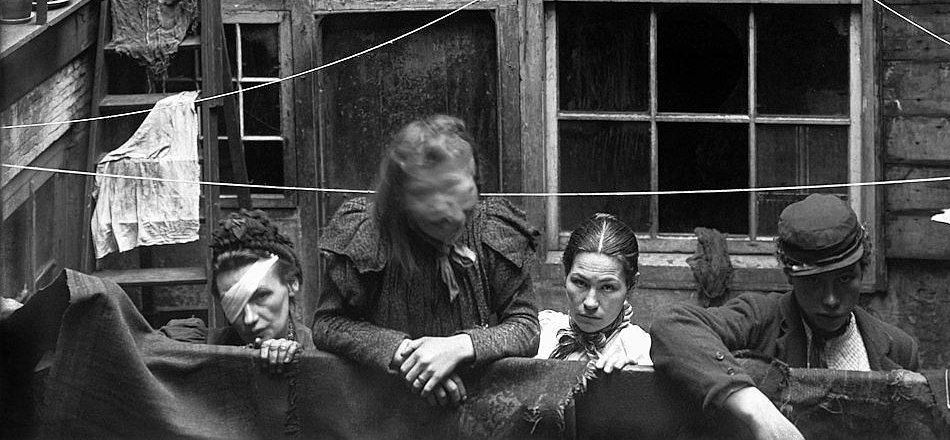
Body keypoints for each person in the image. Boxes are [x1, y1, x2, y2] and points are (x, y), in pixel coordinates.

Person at [313, 115, 540, 408]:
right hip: (385, 408)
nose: (447, 211)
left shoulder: (492, 230)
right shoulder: (369, 232)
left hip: (475, 407)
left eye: (456, 189)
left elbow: (526, 327)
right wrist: (410, 357)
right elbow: (327, 324)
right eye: (427, 194)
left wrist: (458, 347)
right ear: (400, 197)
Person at [651, 193, 921, 440]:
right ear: (790, 275)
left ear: (863, 270)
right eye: (814, 282)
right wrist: (755, 407)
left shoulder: (898, 349)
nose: (830, 299)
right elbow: (673, 324)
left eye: (844, 278)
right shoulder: (761, 319)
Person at [162, 209, 311, 374]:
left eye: (261, 296)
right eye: (234, 304)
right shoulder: (202, 346)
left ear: (291, 284)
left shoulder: (319, 352)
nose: (249, 319)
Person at [537, 212, 652, 371]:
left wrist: (632, 378)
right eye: (580, 282)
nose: (590, 303)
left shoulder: (641, 352)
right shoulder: (540, 332)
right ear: (565, 275)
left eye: (607, 287)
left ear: (631, 287)